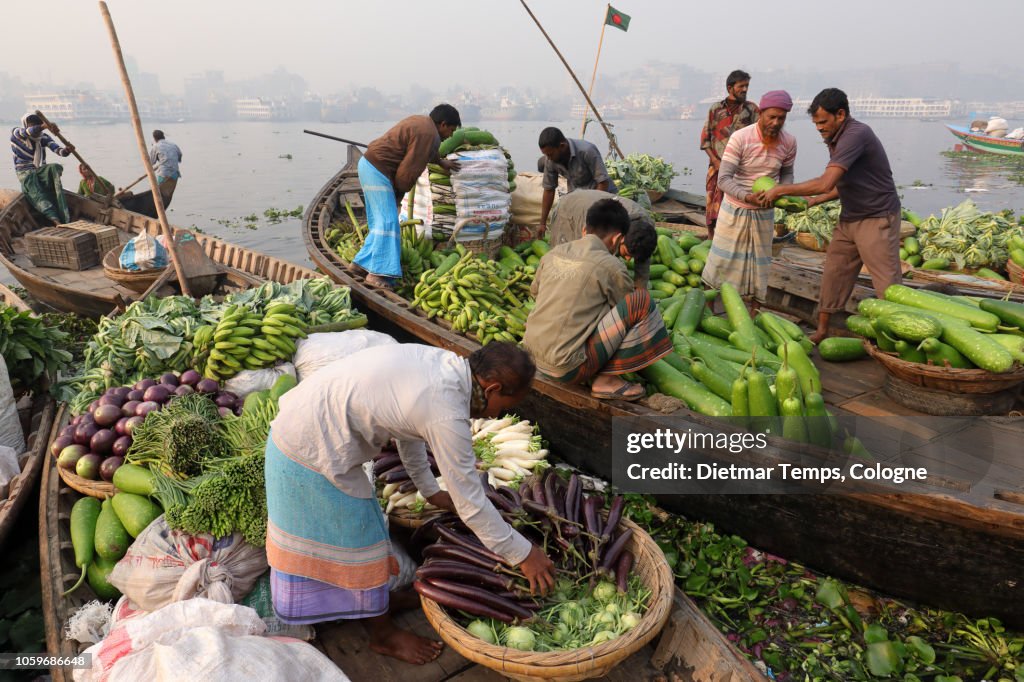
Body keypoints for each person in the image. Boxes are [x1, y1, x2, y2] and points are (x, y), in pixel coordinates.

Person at [265, 341, 555, 666]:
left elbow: (407, 429)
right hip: (309, 450)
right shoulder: (446, 409)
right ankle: (382, 635)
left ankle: (378, 603)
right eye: (503, 406)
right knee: (363, 545)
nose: (497, 415)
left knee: (361, 537)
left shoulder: (446, 367)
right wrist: (524, 554)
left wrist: (430, 491)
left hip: (310, 431)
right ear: (493, 388)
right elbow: (471, 504)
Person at [759, 88, 901, 343]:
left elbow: (826, 181)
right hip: (850, 216)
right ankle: (823, 331)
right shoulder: (835, 136)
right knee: (834, 273)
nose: (819, 128)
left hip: (876, 216)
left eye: (823, 122)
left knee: (887, 284)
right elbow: (839, 185)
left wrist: (781, 189)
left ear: (841, 114)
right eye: (815, 124)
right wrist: (815, 200)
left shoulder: (856, 134)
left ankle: (897, 339)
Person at [523, 199, 673, 401]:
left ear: (585, 229)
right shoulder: (611, 266)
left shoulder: (553, 253)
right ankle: (607, 381)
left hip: (530, 357)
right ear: (617, 238)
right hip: (565, 368)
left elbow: (535, 293)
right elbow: (626, 310)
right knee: (641, 302)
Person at [702, 90, 797, 310]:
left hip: (764, 212)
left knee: (758, 267)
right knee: (719, 263)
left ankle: (753, 315)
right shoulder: (741, 138)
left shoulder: (789, 142)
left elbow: (787, 174)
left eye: (781, 118)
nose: (775, 122)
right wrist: (747, 196)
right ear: (761, 113)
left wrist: (780, 191)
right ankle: (707, 313)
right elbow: (723, 180)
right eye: (771, 117)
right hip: (734, 209)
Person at [354, 104, 462, 289]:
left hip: (369, 165)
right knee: (389, 223)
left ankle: (359, 264)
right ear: (443, 124)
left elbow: (428, 151)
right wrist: (398, 195)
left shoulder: (422, 123)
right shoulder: (429, 134)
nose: (450, 136)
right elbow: (407, 172)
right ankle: (377, 274)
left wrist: (441, 162)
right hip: (378, 171)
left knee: (380, 222)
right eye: (451, 130)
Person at [546, 188, 658, 289]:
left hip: (591, 201)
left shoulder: (646, 227)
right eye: (627, 254)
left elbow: (644, 255)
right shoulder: (603, 226)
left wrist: (640, 286)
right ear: (620, 238)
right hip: (570, 208)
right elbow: (593, 256)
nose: (628, 259)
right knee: (565, 259)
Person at [699, 70, 759, 242]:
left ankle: (733, 240)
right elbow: (705, 139)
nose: (745, 89)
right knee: (712, 202)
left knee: (737, 203)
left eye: (747, 86)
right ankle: (711, 239)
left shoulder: (752, 110)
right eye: (741, 86)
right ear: (730, 88)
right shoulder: (716, 109)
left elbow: (758, 139)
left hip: (741, 168)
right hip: (716, 165)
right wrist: (716, 161)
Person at [537, 127, 616, 236]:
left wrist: (593, 212)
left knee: (602, 234)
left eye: (550, 154)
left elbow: (603, 183)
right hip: (579, 198)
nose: (548, 158)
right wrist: (542, 223)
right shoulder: (550, 160)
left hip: (602, 197)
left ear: (562, 146)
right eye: (546, 155)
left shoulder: (587, 151)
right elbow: (549, 190)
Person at [10, 114, 74, 225]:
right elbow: (28, 132)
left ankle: (57, 200)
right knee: (37, 194)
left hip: (39, 169)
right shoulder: (17, 133)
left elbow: (58, 150)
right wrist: (44, 126)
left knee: (54, 167)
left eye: (37, 125)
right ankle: (55, 220)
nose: (36, 129)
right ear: (26, 125)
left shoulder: (43, 137)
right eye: (33, 126)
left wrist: (67, 150)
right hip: (24, 172)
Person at [148, 130, 183, 208]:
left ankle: (158, 208)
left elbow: (151, 162)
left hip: (164, 174)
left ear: (154, 138)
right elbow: (180, 156)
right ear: (163, 136)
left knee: (159, 195)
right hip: (175, 174)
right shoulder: (173, 145)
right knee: (166, 195)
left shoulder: (156, 146)